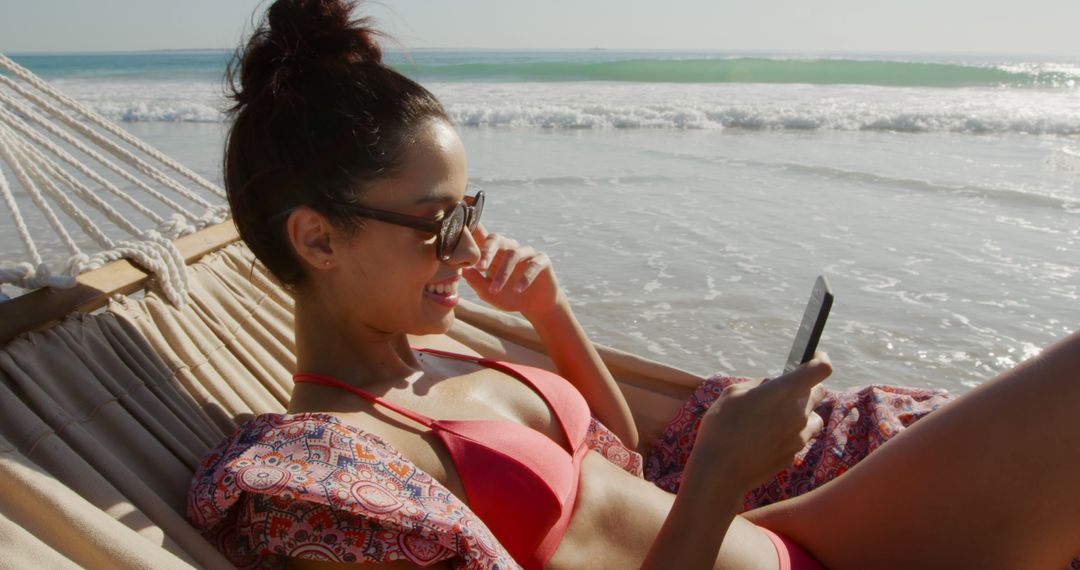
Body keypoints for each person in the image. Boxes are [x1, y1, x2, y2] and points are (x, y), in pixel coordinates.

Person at [187, 1, 1080, 568]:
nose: (470, 248)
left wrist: (551, 314)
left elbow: (618, 455)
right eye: (440, 222)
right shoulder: (326, 471)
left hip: (800, 536)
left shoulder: (432, 359)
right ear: (318, 239)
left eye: (474, 209)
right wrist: (723, 471)